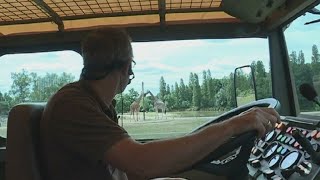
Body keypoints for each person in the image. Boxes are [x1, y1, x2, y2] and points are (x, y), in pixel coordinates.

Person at [40, 27, 281, 180]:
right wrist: (232, 126)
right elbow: (141, 162)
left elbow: (125, 165)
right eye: (131, 69)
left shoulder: (97, 105)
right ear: (126, 68)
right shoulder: (73, 104)